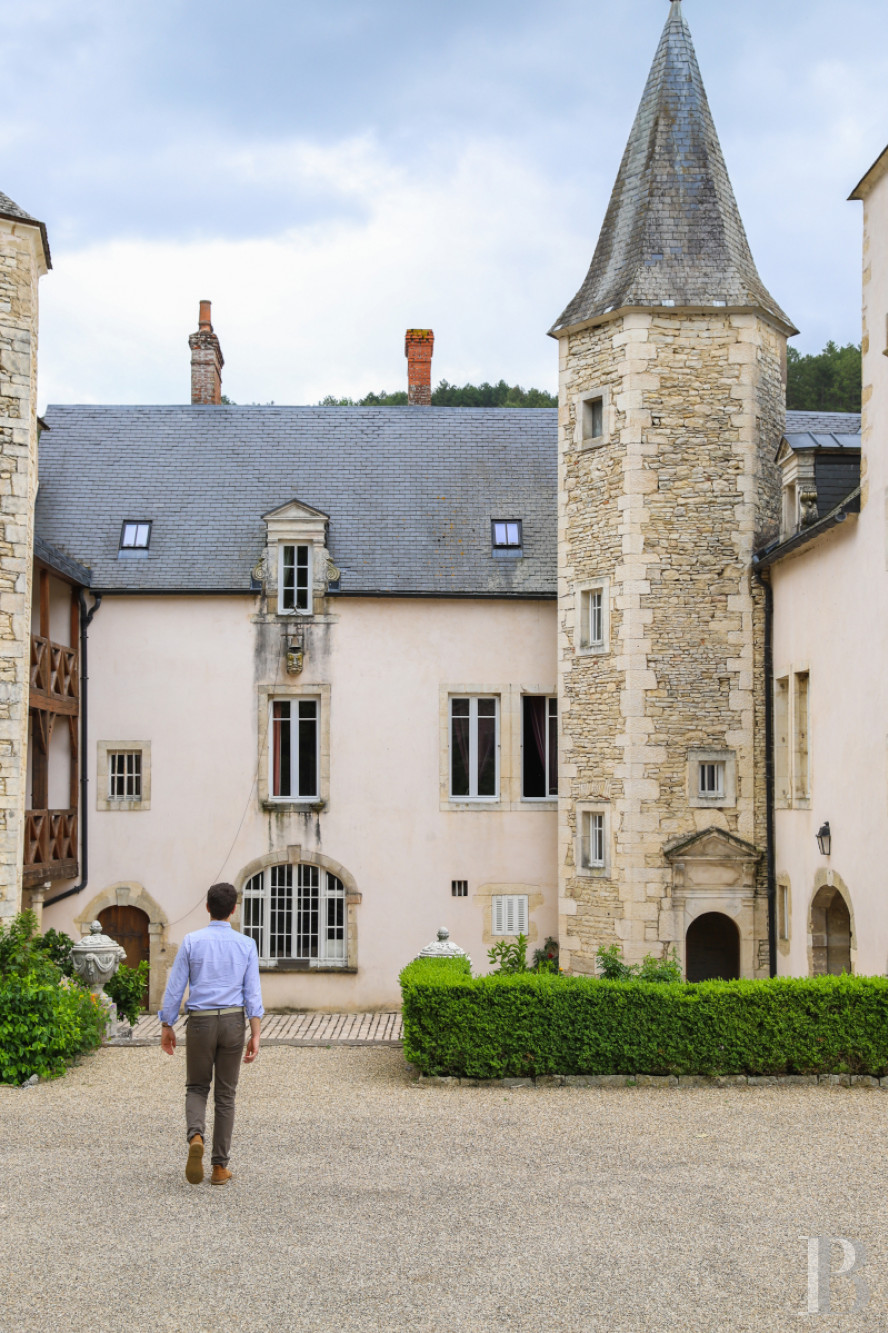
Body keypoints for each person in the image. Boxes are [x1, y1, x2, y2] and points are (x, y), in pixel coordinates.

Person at [159, 882, 264, 1186]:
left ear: (207, 907)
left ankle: (195, 1136)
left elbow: (175, 987)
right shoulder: (246, 944)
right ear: (233, 910)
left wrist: (167, 1025)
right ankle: (219, 1167)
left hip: (201, 1022)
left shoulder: (192, 941)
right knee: (226, 1096)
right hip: (232, 1021)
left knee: (196, 1087)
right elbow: (252, 994)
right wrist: (255, 1034)